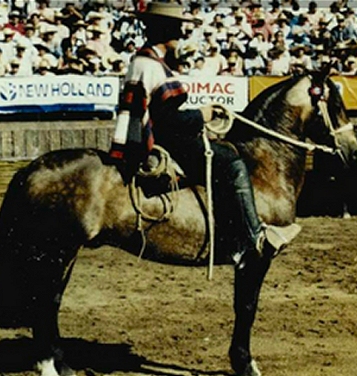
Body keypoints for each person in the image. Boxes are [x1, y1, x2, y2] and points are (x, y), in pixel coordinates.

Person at [109, 2, 300, 266]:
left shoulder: (149, 61)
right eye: (177, 28)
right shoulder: (149, 64)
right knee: (232, 164)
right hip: (162, 140)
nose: (181, 33)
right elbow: (165, 120)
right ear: (163, 30)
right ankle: (252, 237)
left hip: (164, 135)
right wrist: (203, 115)